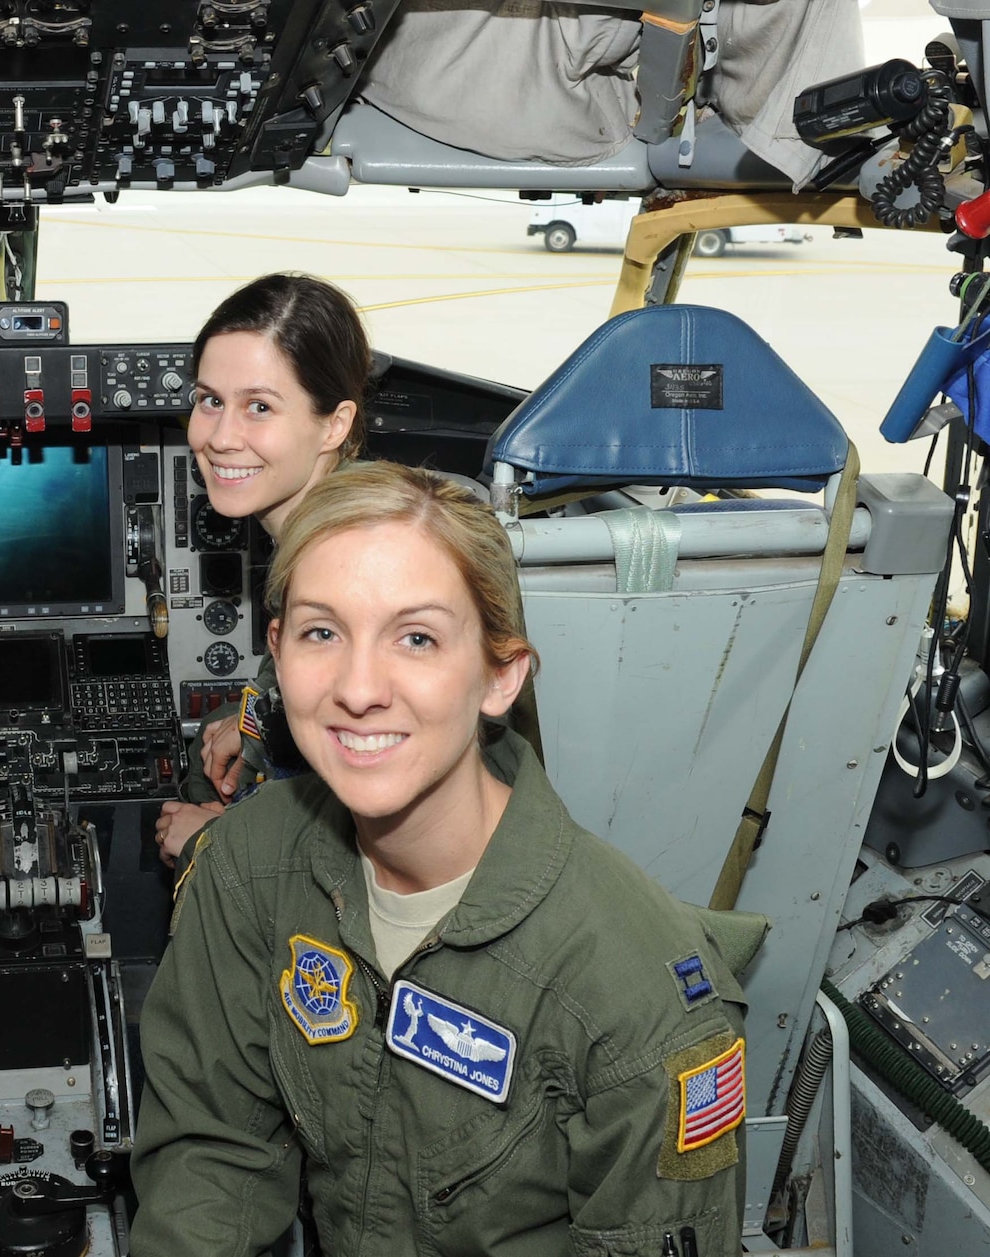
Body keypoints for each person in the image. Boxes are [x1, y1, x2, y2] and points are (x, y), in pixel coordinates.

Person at [132, 462, 761, 1256]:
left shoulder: (638, 1001)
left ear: (502, 675)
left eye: (417, 637)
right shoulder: (250, 865)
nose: (359, 688)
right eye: (322, 631)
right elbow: (212, 1153)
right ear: (277, 651)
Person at [153, 273, 365, 869]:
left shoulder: (347, 566)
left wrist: (212, 846)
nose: (221, 438)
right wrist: (251, 717)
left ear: (334, 424)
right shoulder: (322, 529)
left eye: (260, 407)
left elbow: (373, 826)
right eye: (210, 400)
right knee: (212, 734)